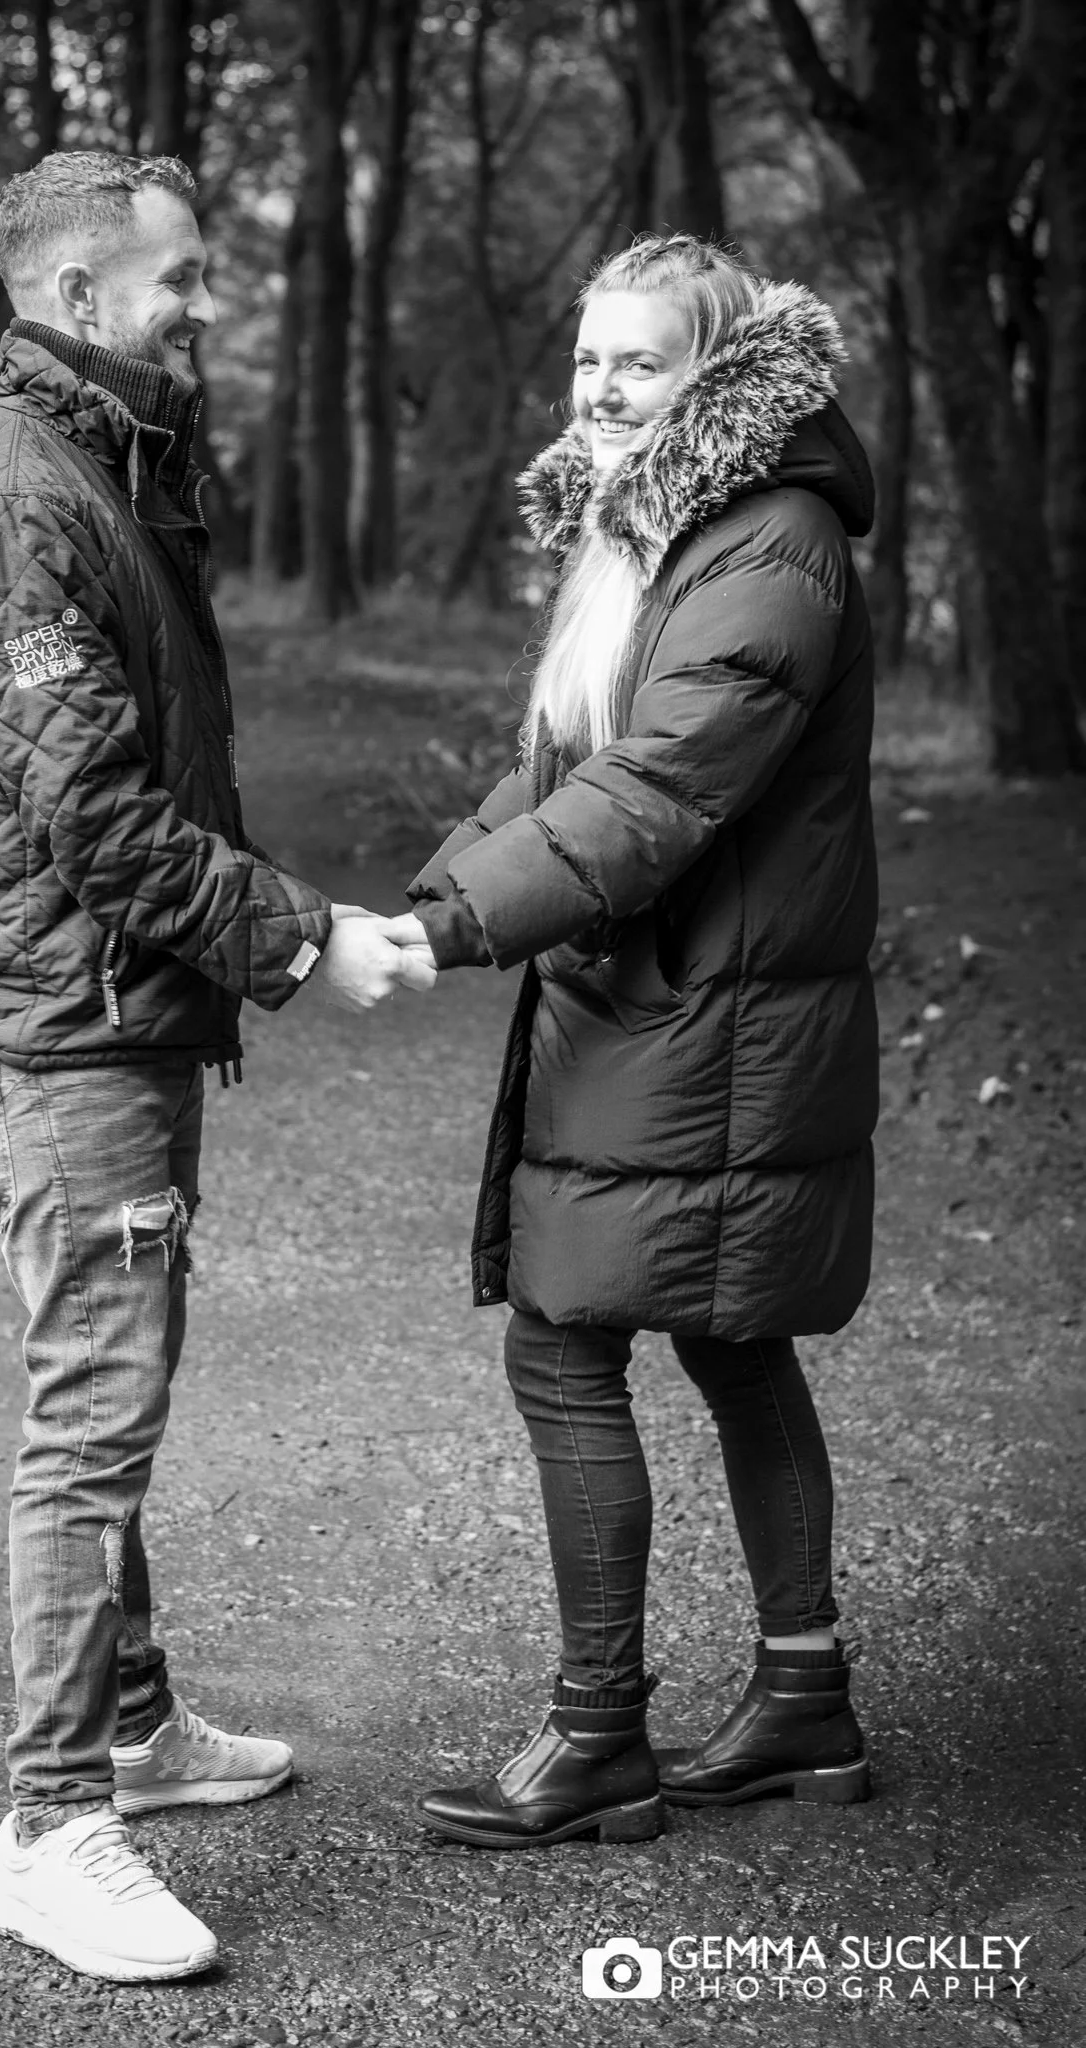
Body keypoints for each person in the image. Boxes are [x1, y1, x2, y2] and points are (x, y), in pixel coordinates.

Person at [0, 149, 433, 1980]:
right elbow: (101, 824)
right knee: (90, 1425)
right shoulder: (20, 501)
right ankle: (51, 1827)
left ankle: (131, 1726)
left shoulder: (103, 461)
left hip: (93, 1017)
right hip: (62, 1034)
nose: (205, 302)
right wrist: (296, 937)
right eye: (180, 278)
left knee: (99, 1402)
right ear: (76, 296)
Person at [381, 233, 878, 1849]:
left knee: (565, 1338)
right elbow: (560, 770)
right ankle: (801, 1698)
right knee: (730, 1335)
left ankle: (600, 1735)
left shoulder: (767, 545)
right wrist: (431, 900)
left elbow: (653, 791)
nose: (599, 390)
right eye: (586, 359)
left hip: (707, 1012)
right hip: (672, 998)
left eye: (638, 362)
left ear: (716, 374)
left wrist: (455, 929)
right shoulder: (658, 526)